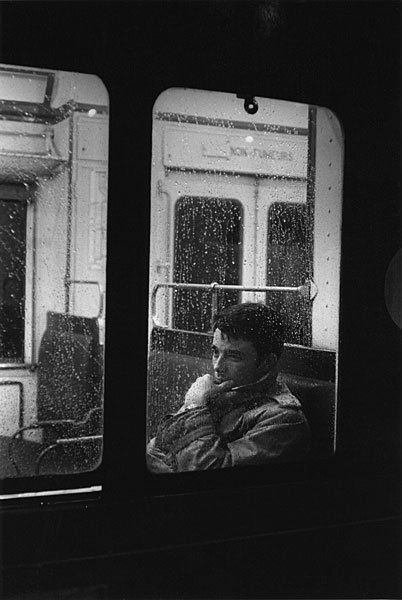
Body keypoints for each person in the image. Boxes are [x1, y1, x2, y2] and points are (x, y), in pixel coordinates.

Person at [147, 302, 310, 473]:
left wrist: (194, 407)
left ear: (266, 363)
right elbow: (160, 444)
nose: (217, 366)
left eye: (233, 356)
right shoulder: (218, 392)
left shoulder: (284, 420)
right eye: (215, 352)